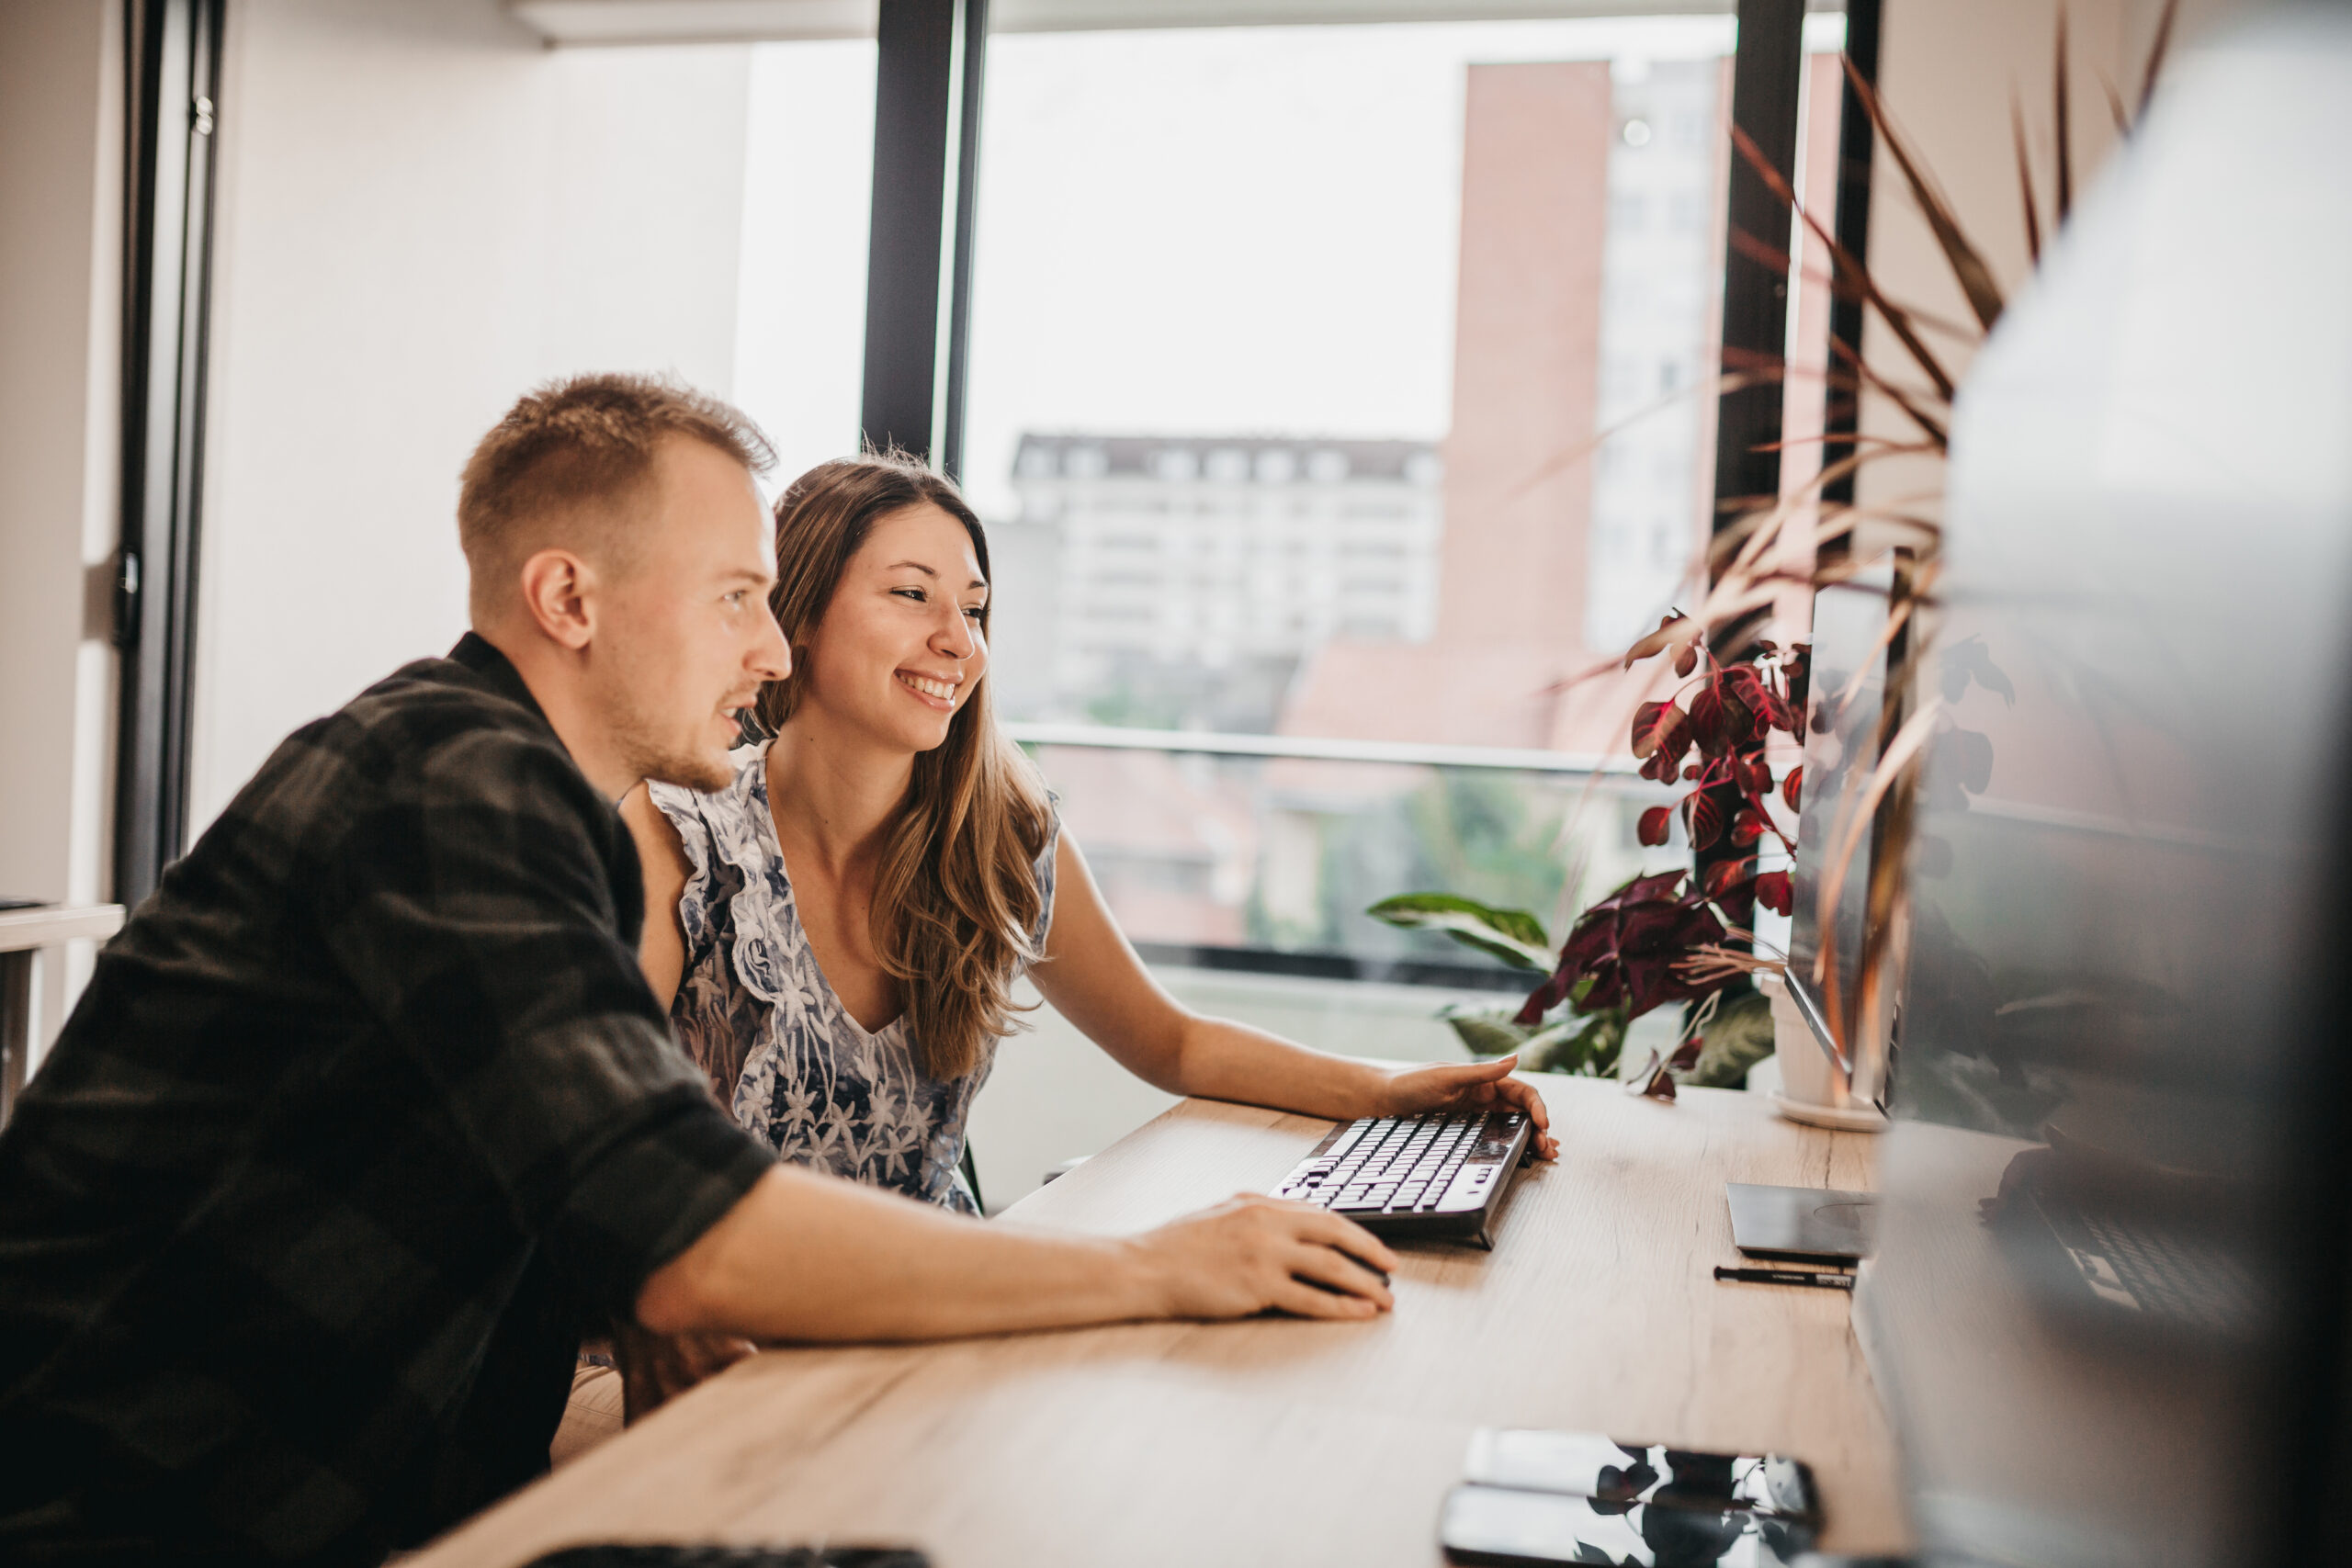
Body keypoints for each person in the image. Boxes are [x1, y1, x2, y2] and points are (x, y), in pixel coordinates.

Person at [0, 376, 1397, 1568]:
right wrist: (1157, 1266)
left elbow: (582, 1182)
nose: (772, 646)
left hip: (349, 1485)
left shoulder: (541, 822)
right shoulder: (448, 782)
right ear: (569, 598)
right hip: (125, 1504)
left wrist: (638, 1277)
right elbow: (686, 1224)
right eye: (739, 595)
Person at [620, 451, 1559, 1216]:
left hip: (925, 1310)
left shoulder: (998, 835)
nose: (961, 641)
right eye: (912, 596)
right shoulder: (678, 834)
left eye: (976, 608)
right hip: (713, 1326)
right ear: (803, 616)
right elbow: (601, 1142)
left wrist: (1389, 1091)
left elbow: (1172, 1044)